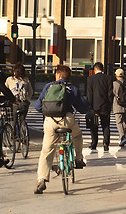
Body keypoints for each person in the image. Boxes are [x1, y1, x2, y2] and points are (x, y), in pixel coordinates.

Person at [34, 65, 90, 194]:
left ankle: (41, 180)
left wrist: (48, 112)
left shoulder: (49, 86)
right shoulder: (73, 89)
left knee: (46, 150)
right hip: (67, 121)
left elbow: (38, 106)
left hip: (50, 122)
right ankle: (78, 159)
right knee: (77, 135)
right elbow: (82, 107)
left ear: (58, 75)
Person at [86, 62, 113, 152]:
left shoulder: (90, 79)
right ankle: (106, 143)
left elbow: (89, 94)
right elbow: (110, 93)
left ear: (95, 69)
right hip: (105, 106)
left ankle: (94, 143)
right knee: (105, 125)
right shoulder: (108, 78)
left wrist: (90, 107)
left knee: (93, 126)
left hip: (94, 106)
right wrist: (109, 104)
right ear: (102, 69)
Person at [5, 63, 33, 128]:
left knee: (13, 121)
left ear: (14, 72)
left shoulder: (10, 79)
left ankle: (13, 135)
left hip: (14, 103)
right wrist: (28, 100)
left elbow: (4, 91)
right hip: (24, 103)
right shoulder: (26, 80)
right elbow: (31, 92)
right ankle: (23, 131)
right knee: (22, 119)